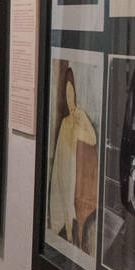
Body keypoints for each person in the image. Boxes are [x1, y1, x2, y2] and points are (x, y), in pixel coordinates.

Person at [47, 64, 97, 250]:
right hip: (66, 171)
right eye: (66, 95)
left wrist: (80, 126)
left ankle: (76, 240)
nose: (69, 100)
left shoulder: (80, 118)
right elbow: (60, 153)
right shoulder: (66, 122)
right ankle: (68, 237)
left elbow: (91, 139)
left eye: (71, 95)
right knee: (66, 206)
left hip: (78, 174)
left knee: (76, 210)